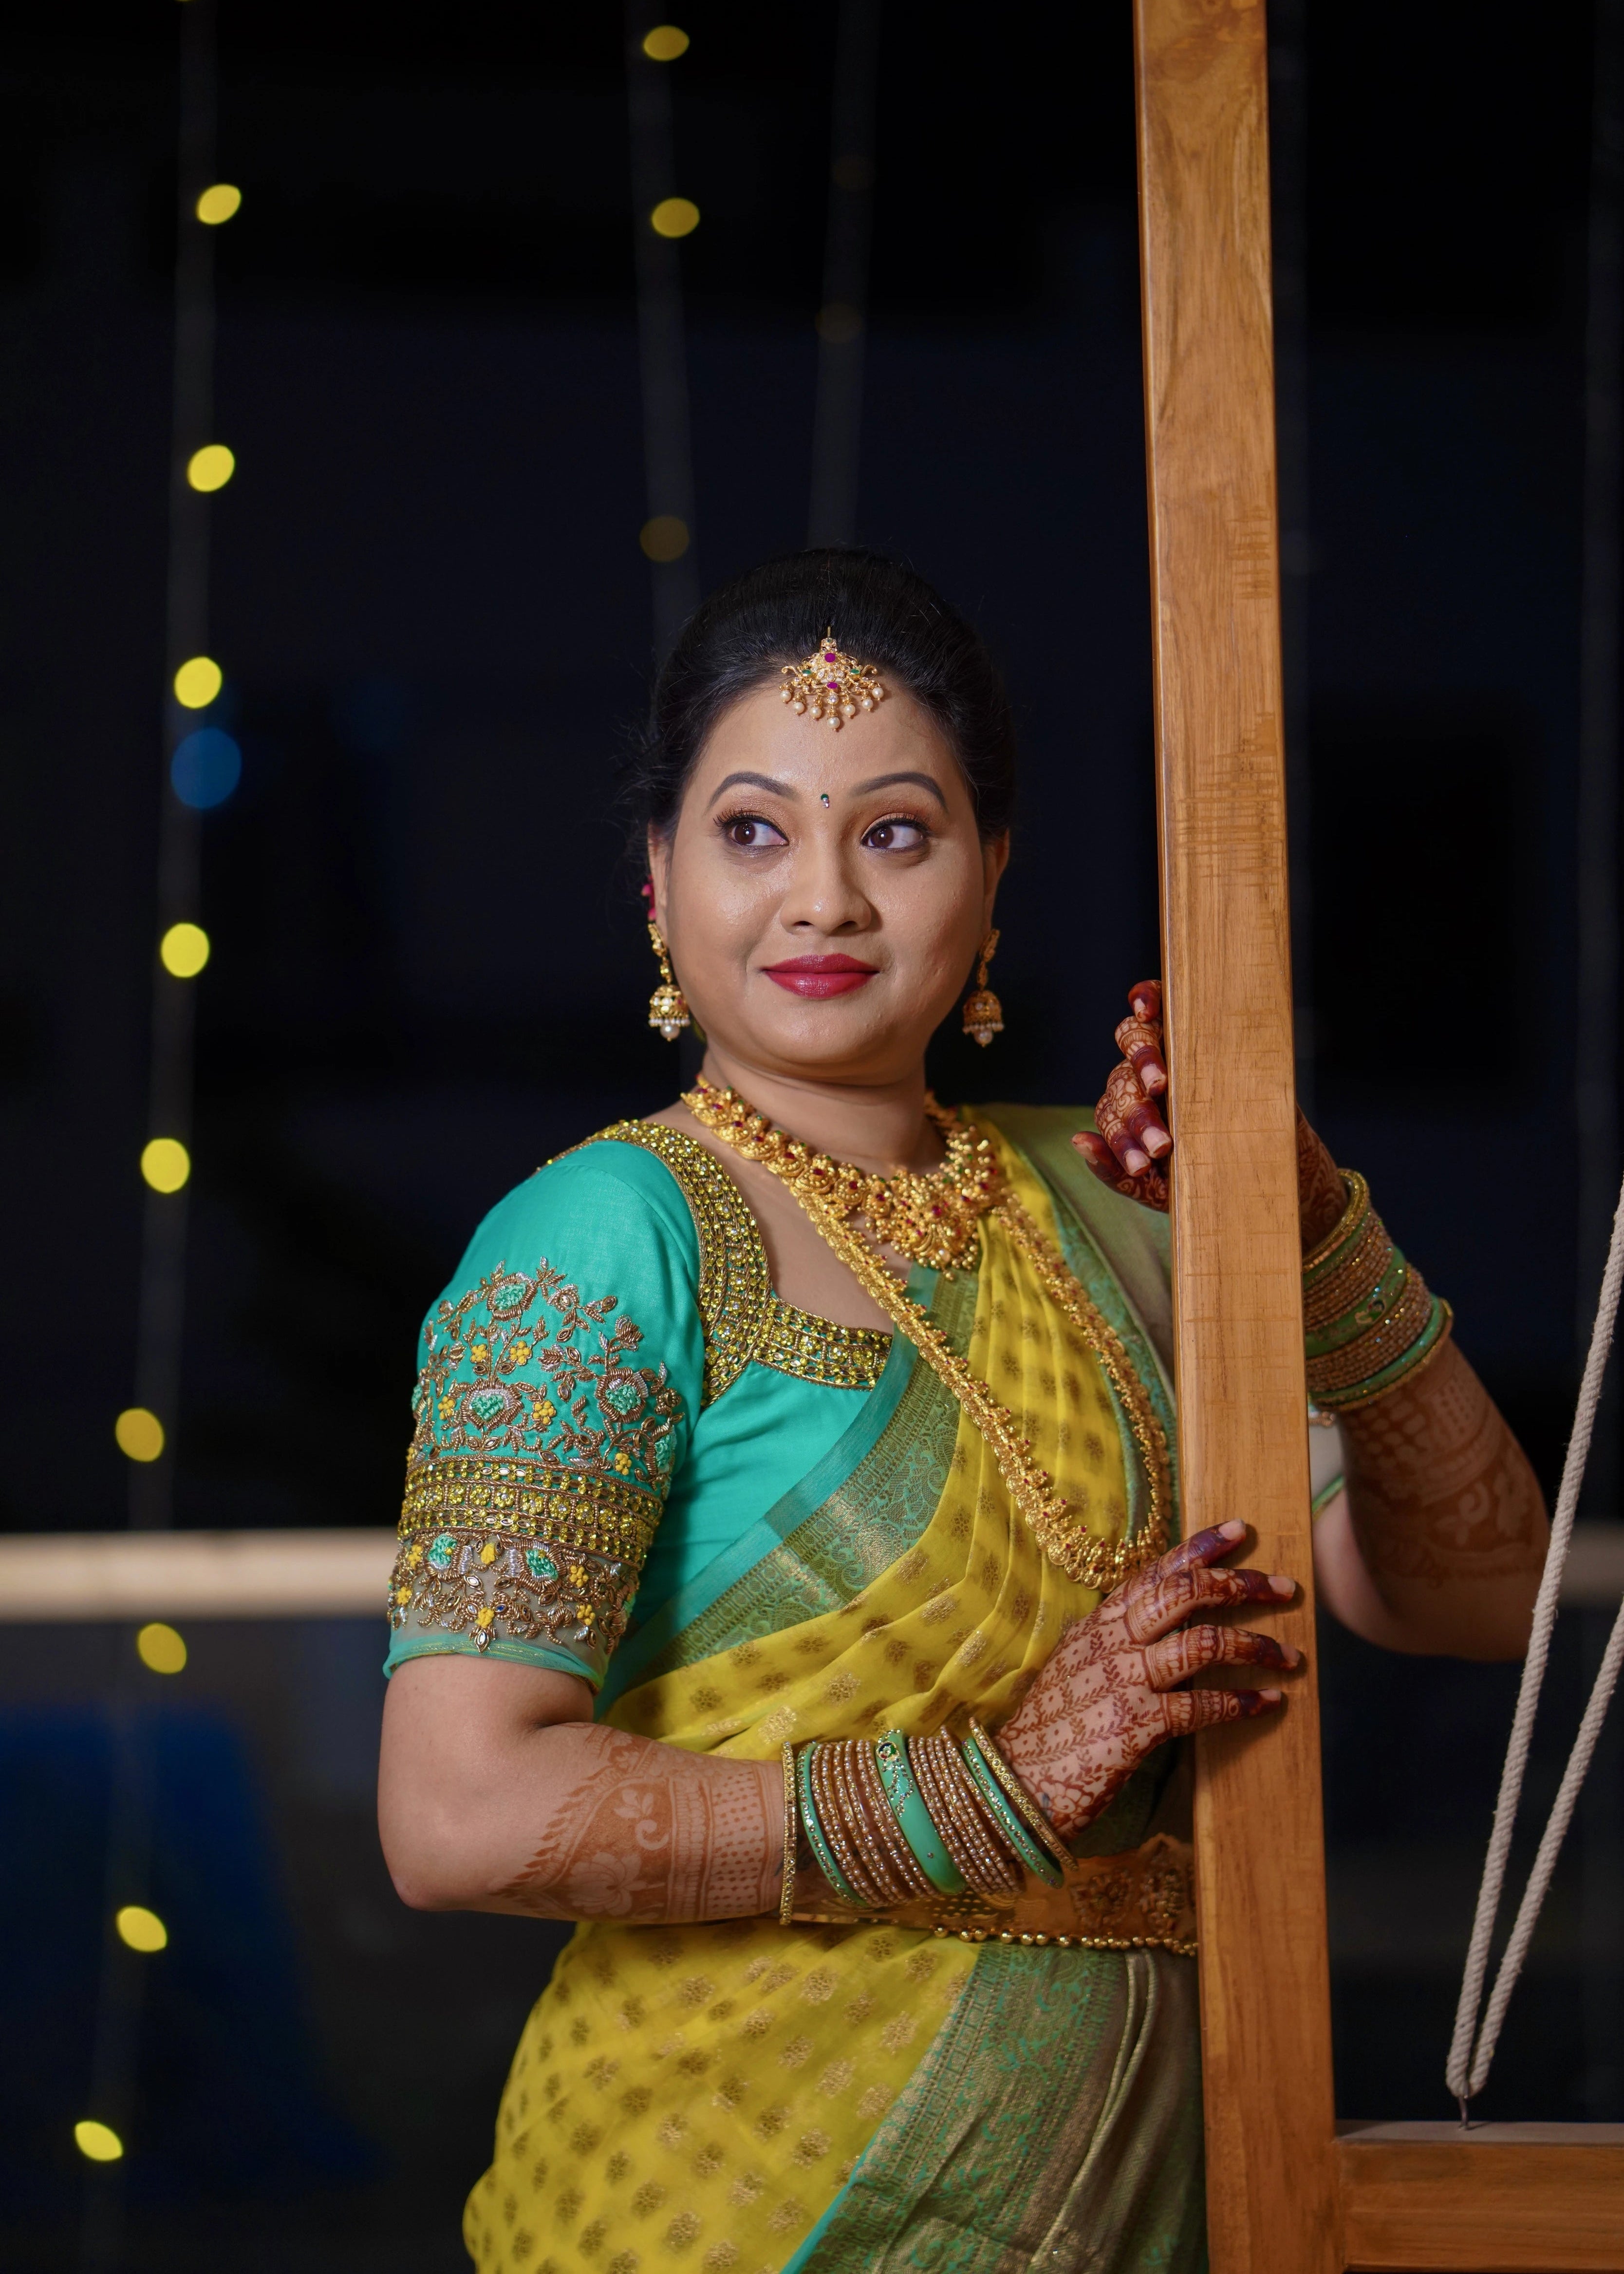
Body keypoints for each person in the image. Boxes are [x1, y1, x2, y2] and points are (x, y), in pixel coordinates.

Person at [376, 549, 1548, 2274]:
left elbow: (1477, 1594)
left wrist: (1313, 1239)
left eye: (899, 834)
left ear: (994, 878)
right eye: (754, 831)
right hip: (724, 2190)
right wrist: (987, 1790)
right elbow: (457, 1812)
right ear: (656, 883)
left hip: (1137, 2189)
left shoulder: (1109, 1204)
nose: (824, 902)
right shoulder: (610, 1234)